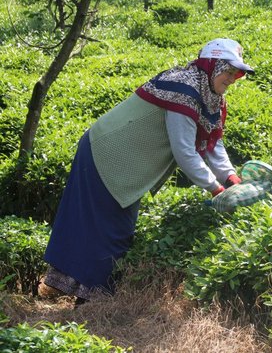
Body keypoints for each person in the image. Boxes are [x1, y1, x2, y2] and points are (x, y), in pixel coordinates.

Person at [39, 38, 253, 303]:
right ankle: (92, 302)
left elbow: (212, 143)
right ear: (212, 65)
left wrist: (230, 176)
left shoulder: (211, 97)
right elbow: (184, 150)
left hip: (126, 162)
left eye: (238, 73)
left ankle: (87, 297)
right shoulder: (185, 89)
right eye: (229, 71)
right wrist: (215, 188)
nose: (232, 78)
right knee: (110, 232)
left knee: (109, 229)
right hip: (107, 153)